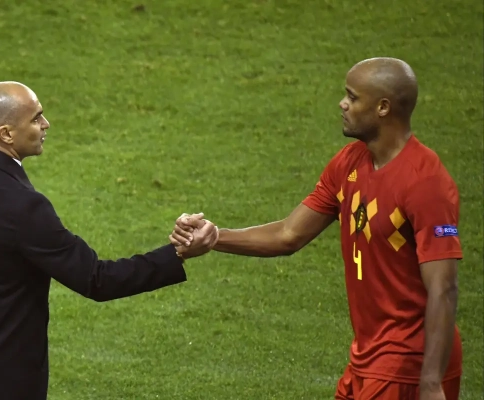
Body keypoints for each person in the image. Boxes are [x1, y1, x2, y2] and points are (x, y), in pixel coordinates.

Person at [171, 58, 462, 400]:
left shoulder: (425, 183)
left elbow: (444, 287)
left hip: (409, 365)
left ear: (383, 107)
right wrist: (214, 237)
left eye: (352, 97)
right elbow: (288, 235)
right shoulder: (349, 163)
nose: (342, 104)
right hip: (367, 358)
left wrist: (431, 383)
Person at [0, 81, 219, 400]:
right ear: (6, 134)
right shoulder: (23, 206)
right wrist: (177, 253)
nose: (46, 124)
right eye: (36, 118)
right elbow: (97, 279)